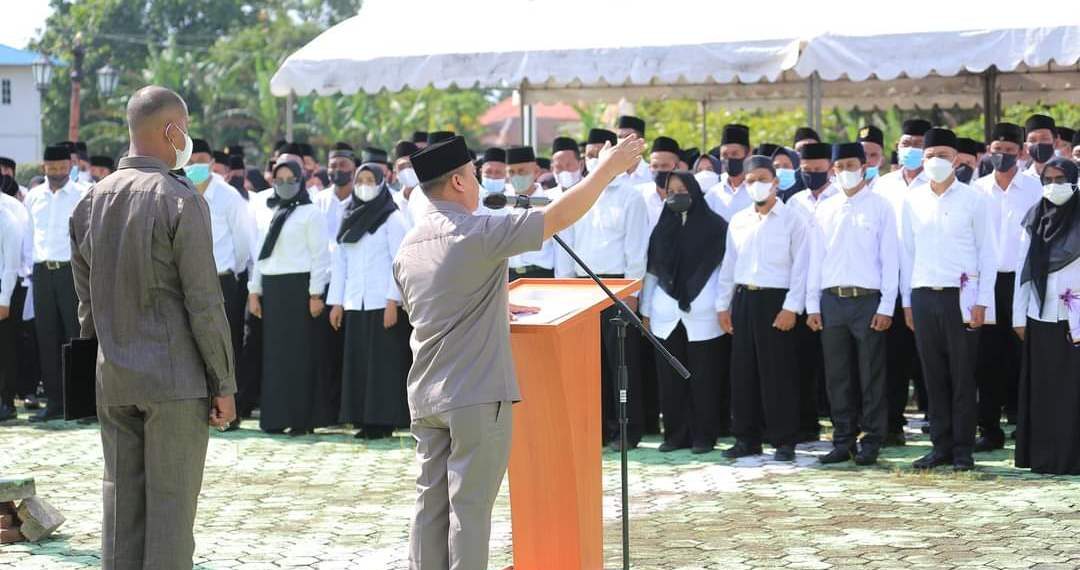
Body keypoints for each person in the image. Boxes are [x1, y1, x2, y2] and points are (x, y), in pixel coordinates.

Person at [393, 132, 644, 570]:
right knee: (469, 511)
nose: (476, 185)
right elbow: (557, 216)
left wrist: (495, 303)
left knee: (429, 508)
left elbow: (439, 301)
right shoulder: (476, 231)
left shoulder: (409, 245)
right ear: (456, 183)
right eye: (473, 175)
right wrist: (608, 168)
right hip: (475, 393)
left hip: (425, 393)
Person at [68, 85, 236, 569]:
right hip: (175, 382)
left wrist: (96, 373)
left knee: (120, 511)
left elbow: (87, 307)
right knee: (171, 514)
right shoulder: (180, 199)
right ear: (170, 130)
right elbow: (204, 303)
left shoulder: (88, 203)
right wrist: (222, 382)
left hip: (113, 378)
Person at [900, 127, 997, 471]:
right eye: (930, 157)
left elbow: (988, 253)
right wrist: (907, 302)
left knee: (962, 376)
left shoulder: (974, 199)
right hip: (924, 295)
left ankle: (962, 450)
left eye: (942, 156)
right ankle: (939, 446)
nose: (936, 162)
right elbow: (906, 255)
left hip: (962, 297)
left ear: (956, 160)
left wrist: (982, 301)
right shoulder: (912, 200)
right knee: (934, 375)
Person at [806, 143, 898, 465]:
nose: (846, 171)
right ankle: (842, 439)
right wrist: (812, 305)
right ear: (833, 170)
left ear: (864, 166)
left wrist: (887, 306)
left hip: (868, 301)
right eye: (840, 165)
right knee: (837, 375)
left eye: (851, 164)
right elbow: (814, 260)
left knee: (871, 374)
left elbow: (891, 259)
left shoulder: (881, 207)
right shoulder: (825, 208)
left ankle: (872, 440)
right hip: (832, 301)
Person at [717, 156, 809, 462]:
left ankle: (784, 441)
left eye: (762, 178)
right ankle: (746, 438)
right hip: (744, 299)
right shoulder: (739, 220)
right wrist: (723, 305)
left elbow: (801, 267)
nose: (756, 185)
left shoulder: (792, 219)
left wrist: (791, 308)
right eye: (750, 179)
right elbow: (729, 266)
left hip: (776, 302)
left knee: (778, 373)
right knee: (743, 372)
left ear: (776, 182)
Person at [565, 131, 651, 450]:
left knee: (621, 362)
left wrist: (631, 292)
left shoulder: (631, 196)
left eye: (598, 152)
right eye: (587, 153)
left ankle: (628, 430)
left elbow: (636, 249)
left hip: (617, 286)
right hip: (580, 287)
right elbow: (566, 242)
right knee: (588, 364)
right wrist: (565, 287)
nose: (592, 158)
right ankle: (595, 429)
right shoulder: (578, 192)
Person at [641, 171, 728, 453]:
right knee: (670, 380)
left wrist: (721, 306)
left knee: (704, 378)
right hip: (665, 314)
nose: (676, 195)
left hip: (704, 315)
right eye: (670, 190)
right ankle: (675, 436)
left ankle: (704, 436)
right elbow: (652, 272)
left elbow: (723, 272)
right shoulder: (662, 228)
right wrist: (645, 310)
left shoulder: (715, 227)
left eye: (682, 189)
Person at [971, 122, 1042, 450]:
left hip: (1021, 280)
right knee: (986, 357)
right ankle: (989, 428)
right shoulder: (977, 189)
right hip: (986, 281)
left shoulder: (1034, 188)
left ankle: (1025, 424)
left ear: (1022, 153)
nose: (1002, 157)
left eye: (1009, 152)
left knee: (1023, 354)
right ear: (989, 151)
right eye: (997, 151)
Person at [247, 158, 331, 435]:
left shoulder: (310, 213)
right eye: (279, 180)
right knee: (275, 356)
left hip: (300, 289)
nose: (284, 185)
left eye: (290, 180)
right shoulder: (269, 210)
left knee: (299, 355)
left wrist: (316, 294)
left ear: (301, 180)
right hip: (272, 289)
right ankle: (275, 417)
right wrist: (254, 291)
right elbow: (261, 254)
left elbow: (320, 256)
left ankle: (300, 419)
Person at [328, 164, 411, 439]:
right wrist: (337, 302)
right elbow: (340, 264)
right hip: (355, 301)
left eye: (369, 180)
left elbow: (399, 263)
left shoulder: (391, 218)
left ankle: (383, 421)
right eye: (359, 180)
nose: (364, 185)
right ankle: (363, 419)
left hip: (381, 302)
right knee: (359, 363)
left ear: (380, 183)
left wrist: (392, 301)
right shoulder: (348, 215)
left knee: (382, 365)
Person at [1013, 157, 1080, 475]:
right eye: (1047, 179)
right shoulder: (1034, 217)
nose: (1053, 185)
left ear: (1074, 180)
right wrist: (1018, 316)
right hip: (1039, 315)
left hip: (1076, 317)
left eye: (1060, 178)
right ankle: (1043, 457)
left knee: (1073, 390)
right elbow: (1022, 271)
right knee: (1044, 389)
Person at [184, 138, 253, 430]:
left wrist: (229, 272)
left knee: (227, 346)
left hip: (223, 280)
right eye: (190, 160)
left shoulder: (229, 196)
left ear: (212, 163)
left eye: (201, 159)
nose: (196, 165)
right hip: (188, 282)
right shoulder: (178, 191)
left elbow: (243, 244)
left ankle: (230, 409)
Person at [875, 118, 932, 445]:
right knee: (892, 358)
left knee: (929, 359)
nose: (911, 150)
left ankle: (936, 423)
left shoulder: (937, 184)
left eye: (918, 145)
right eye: (906, 144)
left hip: (925, 281)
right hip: (890, 285)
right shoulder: (883, 185)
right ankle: (892, 424)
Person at [24, 143, 87, 422]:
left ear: (70, 167)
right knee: (46, 338)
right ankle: (54, 401)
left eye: (63, 168)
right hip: (41, 273)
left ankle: (80, 403)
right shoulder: (34, 197)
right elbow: (28, 234)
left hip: (71, 272)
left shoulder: (83, 194)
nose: (58, 173)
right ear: (44, 168)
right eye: (52, 168)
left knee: (76, 336)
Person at [789, 141, 839, 442]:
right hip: (800, 291)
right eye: (806, 171)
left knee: (836, 365)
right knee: (802, 363)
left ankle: (843, 424)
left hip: (831, 290)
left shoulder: (839, 198)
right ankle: (806, 424)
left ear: (830, 170)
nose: (812, 176)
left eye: (818, 171)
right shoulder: (794, 202)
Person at [705, 124, 753, 222]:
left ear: (748, 155)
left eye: (735, 154)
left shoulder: (757, 190)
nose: (729, 158)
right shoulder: (713, 194)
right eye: (725, 155)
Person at [0, 205, 20, 421]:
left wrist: (4, 300)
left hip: (3, 290)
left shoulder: (8, 221)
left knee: (4, 352)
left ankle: (7, 403)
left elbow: (10, 266)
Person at [639, 137, 682, 229]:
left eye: (665, 166)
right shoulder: (638, 195)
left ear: (677, 167)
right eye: (655, 166)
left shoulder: (689, 197)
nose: (659, 170)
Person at [616, 115, 652, 184]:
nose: (623, 141)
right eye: (620, 137)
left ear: (640, 141)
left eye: (628, 137)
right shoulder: (612, 175)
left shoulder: (651, 174)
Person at [1023, 114, 1059, 178]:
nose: (1038, 144)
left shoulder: (1071, 177)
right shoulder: (1022, 179)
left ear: (1055, 143)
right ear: (1026, 146)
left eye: (1044, 139)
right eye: (1032, 140)